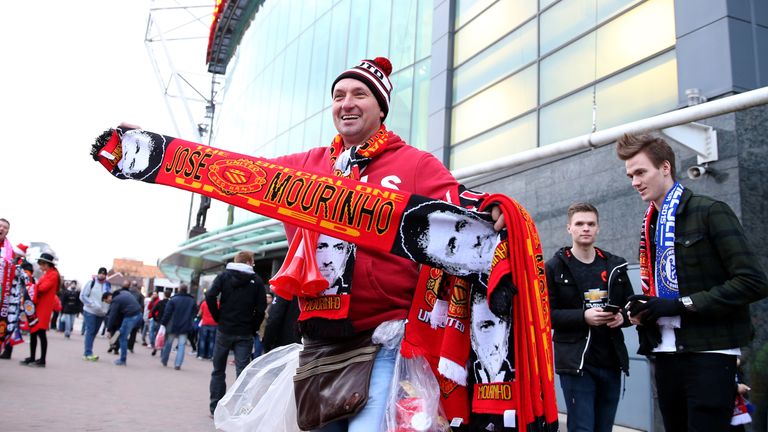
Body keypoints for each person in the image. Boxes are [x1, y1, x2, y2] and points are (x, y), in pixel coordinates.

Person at [269, 57, 474, 431]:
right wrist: (154, 151)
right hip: (319, 346)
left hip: (383, 340)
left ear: (381, 108)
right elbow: (234, 173)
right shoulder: (307, 165)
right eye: (338, 95)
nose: (346, 102)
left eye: (359, 94)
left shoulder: (415, 164)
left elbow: (459, 209)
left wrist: (494, 210)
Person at [616, 133, 768, 431]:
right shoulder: (650, 223)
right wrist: (646, 308)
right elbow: (663, 287)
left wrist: (679, 304)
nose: (634, 181)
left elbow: (753, 281)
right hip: (664, 352)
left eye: (640, 172)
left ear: (665, 167)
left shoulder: (710, 211)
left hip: (710, 352)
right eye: (630, 175)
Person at [545, 202, 635, 432]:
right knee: (583, 428)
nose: (585, 228)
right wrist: (583, 317)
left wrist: (623, 318)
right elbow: (547, 315)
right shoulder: (555, 268)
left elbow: (632, 305)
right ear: (569, 228)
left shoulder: (615, 265)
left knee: (604, 427)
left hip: (611, 360)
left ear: (598, 228)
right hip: (577, 363)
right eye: (580, 223)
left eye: (591, 224)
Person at [206, 251, 266, 417]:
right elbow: (261, 308)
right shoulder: (257, 281)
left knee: (218, 370)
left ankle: (214, 407)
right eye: (252, 261)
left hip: (224, 329)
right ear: (248, 261)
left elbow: (210, 295)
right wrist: (253, 326)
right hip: (245, 332)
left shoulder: (223, 276)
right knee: (242, 372)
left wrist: (218, 317)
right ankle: (238, 409)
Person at [20, 252, 60, 368]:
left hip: (43, 308)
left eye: (41, 264)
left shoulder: (53, 275)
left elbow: (42, 288)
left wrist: (33, 286)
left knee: (41, 334)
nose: (40, 267)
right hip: (38, 307)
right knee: (34, 332)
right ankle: (32, 357)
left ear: (47, 264)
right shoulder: (48, 274)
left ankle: (42, 359)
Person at [469, 288, 513, 384]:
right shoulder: (468, 375)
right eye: (486, 326)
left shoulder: (521, 373)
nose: (497, 343)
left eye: (502, 323)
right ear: (472, 338)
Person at [159, 284, 197, 370]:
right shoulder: (191, 301)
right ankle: (178, 364)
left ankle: (164, 359)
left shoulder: (173, 299)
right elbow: (195, 312)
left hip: (173, 325)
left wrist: (163, 323)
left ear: (179, 290)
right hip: (185, 326)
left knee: (168, 343)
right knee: (181, 345)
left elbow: (167, 313)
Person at [80, 267, 111, 361]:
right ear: (98, 274)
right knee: (90, 330)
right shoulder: (91, 283)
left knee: (94, 332)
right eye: (100, 273)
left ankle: (88, 351)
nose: (102, 275)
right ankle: (88, 353)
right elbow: (82, 296)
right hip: (90, 311)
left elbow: (108, 297)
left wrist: (107, 308)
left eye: (104, 274)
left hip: (101, 313)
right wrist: (91, 304)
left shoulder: (107, 285)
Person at [105, 287, 142, 366]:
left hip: (131, 316)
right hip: (138, 314)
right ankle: (120, 331)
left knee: (122, 338)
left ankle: (122, 360)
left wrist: (108, 329)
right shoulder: (125, 294)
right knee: (124, 332)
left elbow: (112, 315)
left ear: (109, 297)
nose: (107, 303)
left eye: (106, 301)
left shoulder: (115, 300)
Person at [150, 288, 172, 356]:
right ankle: (162, 353)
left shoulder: (160, 302)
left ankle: (155, 348)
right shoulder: (171, 303)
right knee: (165, 337)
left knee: (158, 335)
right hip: (168, 322)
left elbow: (153, 311)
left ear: (164, 295)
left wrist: (155, 318)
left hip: (159, 321)